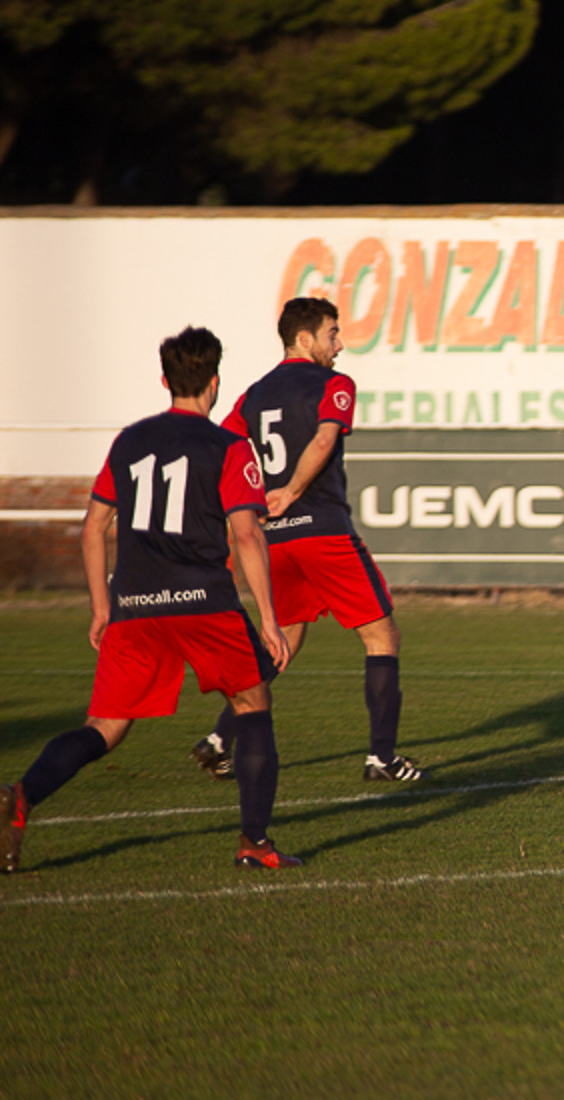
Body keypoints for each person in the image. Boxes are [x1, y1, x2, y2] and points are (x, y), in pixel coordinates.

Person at [3, 327, 301, 874]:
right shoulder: (230, 446)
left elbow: (92, 528)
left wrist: (102, 607)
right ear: (215, 383)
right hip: (204, 604)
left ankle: (21, 796)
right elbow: (247, 534)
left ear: (165, 381)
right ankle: (255, 844)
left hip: (134, 605)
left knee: (105, 726)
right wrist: (269, 619)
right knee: (252, 706)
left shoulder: (130, 441)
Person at [193, 297, 422, 784]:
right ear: (304, 338)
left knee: (285, 637)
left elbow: (223, 449)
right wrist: (292, 491)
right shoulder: (334, 384)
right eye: (332, 334)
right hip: (321, 531)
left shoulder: (253, 395)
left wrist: (247, 504)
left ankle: (219, 738)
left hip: (272, 542)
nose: (339, 345)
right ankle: (382, 758)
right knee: (381, 636)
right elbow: (323, 440)